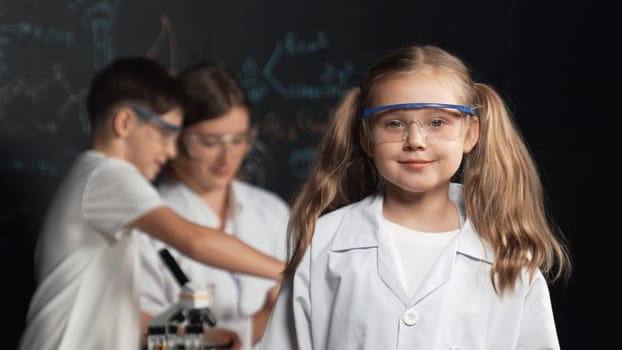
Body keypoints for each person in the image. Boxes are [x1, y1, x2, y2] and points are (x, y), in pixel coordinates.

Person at [259, 44, 571, 349]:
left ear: (471, 133)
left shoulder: (508, 251)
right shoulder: (324, 243)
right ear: (366, 137)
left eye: (437, 122)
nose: (415, 141)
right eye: (394, 124)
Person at [17, 57, 284, 350]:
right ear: (125, 122)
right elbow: (195, 241)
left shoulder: (103, 186)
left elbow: (131, 318)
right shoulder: (106, 174)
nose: (171, 151)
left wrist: (203, 337)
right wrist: (292, 270)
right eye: (167, 134)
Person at [138, 63, 289, 350]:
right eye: (210, 142)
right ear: (176, 138)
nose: (228, 157)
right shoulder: (147, 227)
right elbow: (150, 337)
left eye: (239, 140)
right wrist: (260, 323)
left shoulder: (272, 212)